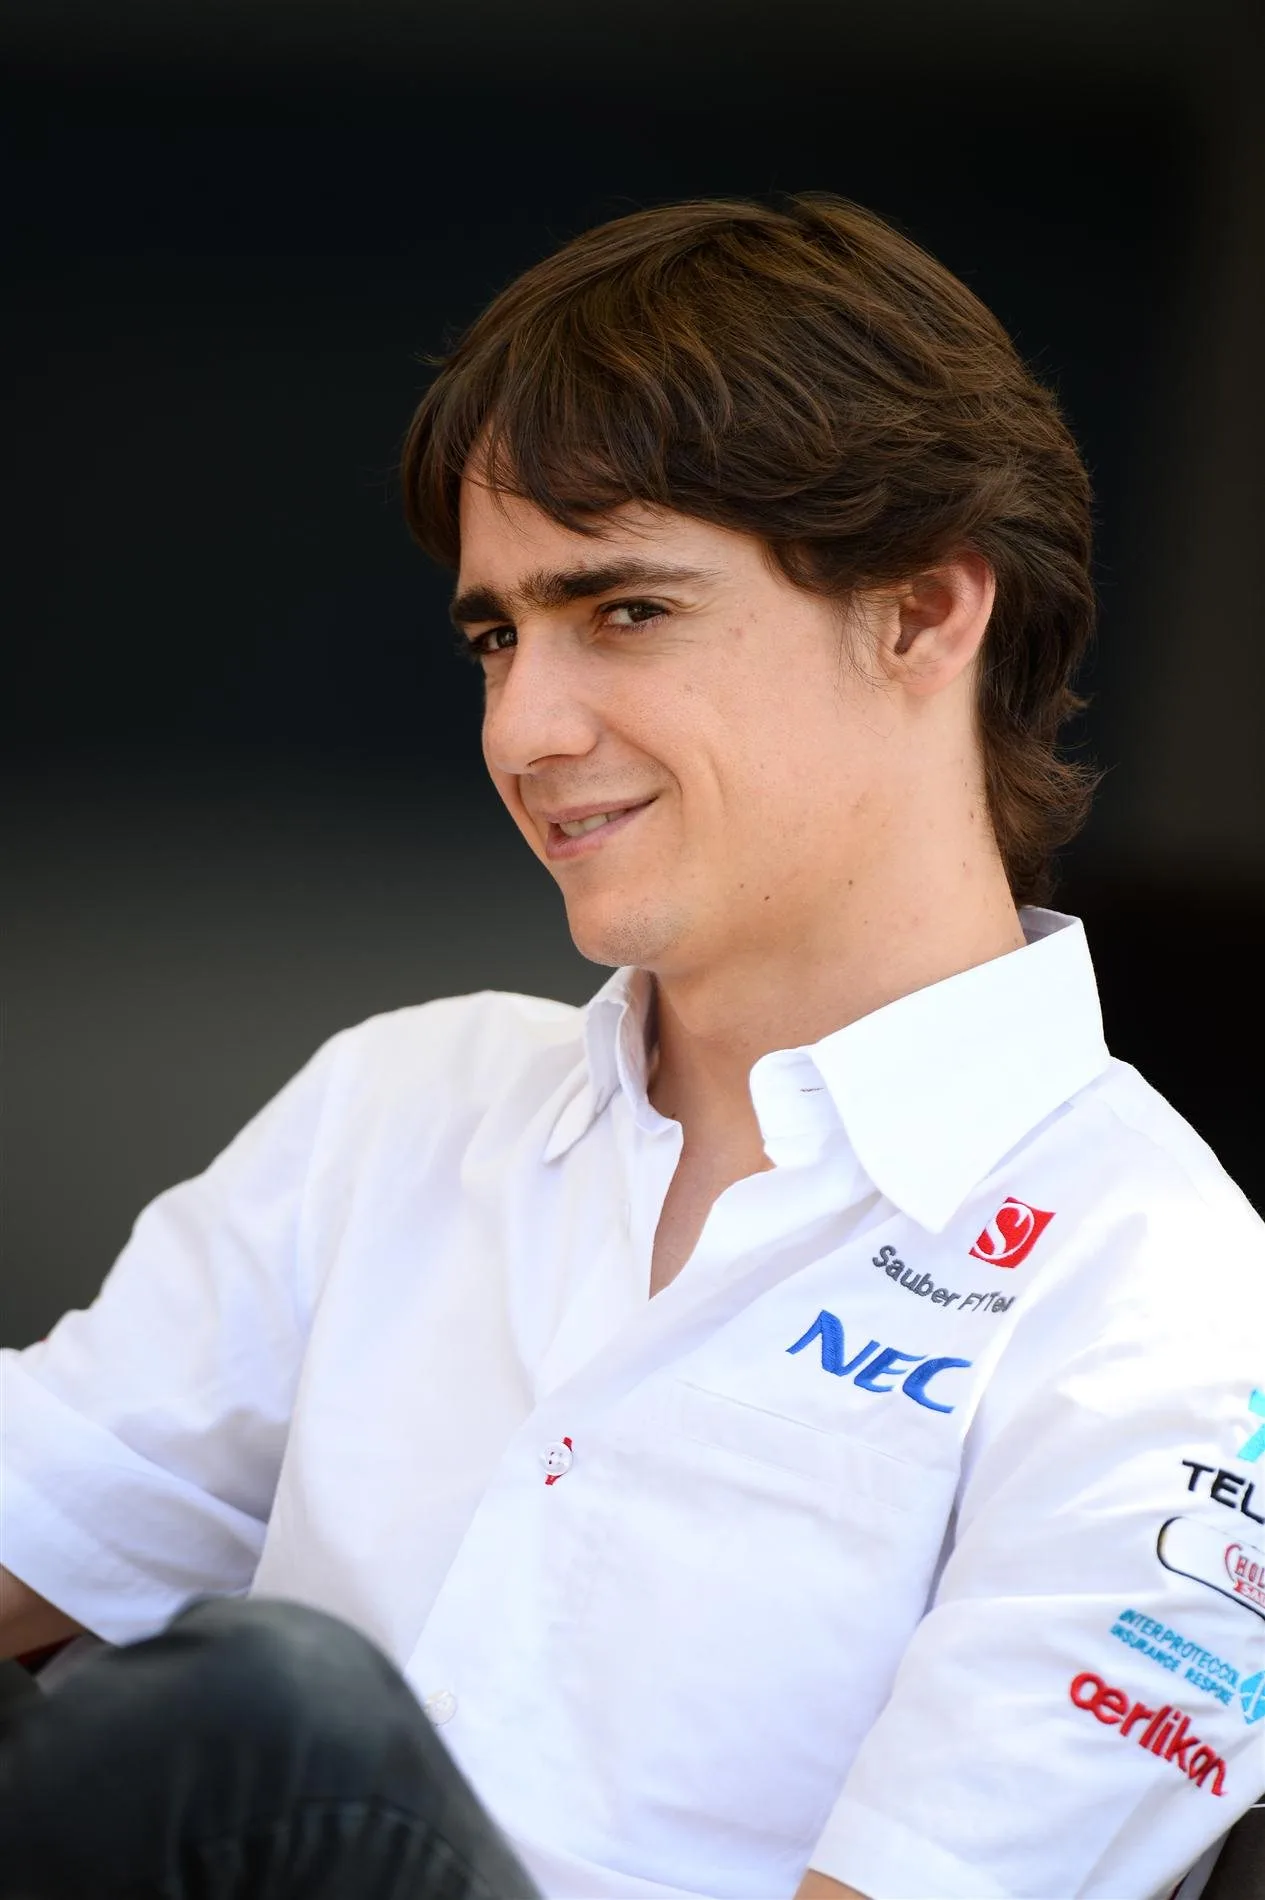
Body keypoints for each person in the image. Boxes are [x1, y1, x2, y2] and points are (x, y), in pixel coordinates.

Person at [2, 193, 1263, 1900]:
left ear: (923, 612)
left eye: (625, 612)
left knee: (268, 1726)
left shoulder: (1165, 1303)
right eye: (495, 635)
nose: (524, 727)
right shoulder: (403, 1104)